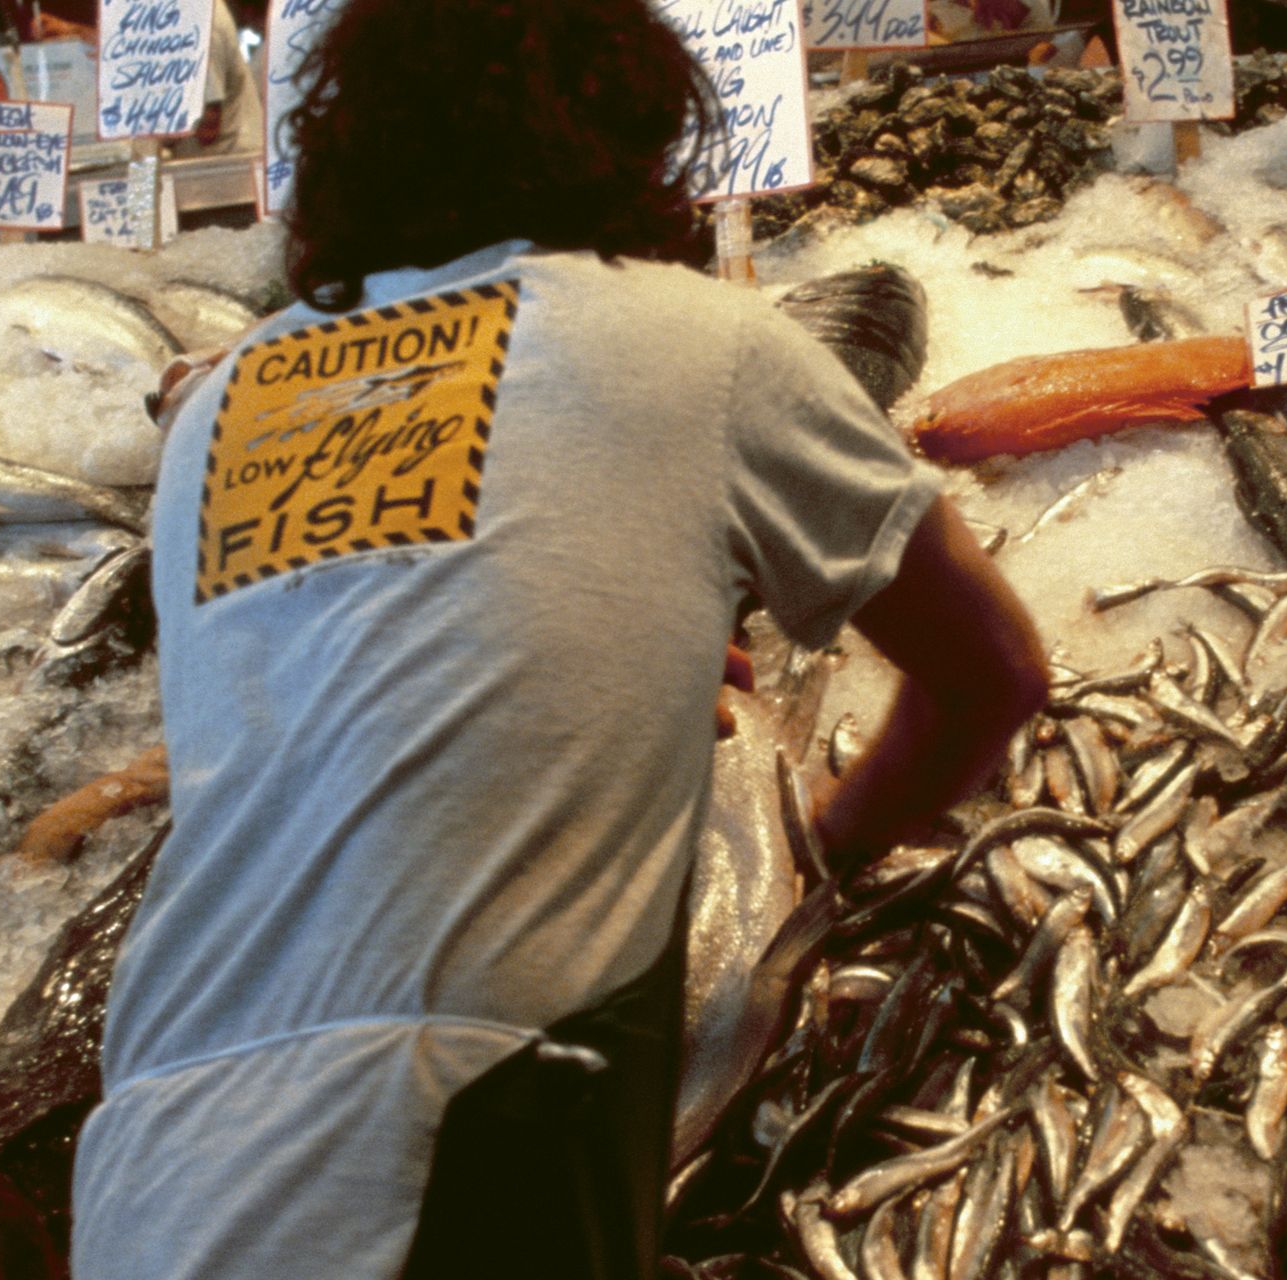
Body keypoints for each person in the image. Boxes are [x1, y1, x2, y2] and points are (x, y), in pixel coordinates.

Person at [63, 0, 1049, 1277]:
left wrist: (632, 662)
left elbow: (388, 663)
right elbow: (994, 676)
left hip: (155, 1167)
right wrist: (830, 848)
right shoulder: (711, 344)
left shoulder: (229, 400)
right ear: (637, 130)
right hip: (447, 1155)